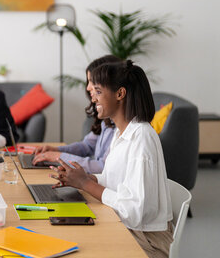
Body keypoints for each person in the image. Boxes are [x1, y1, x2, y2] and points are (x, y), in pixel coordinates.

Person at [50, 60, 173, 258]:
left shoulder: (141, 138)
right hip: (130, 227)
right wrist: (85, 178)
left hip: (146, 240)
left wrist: (85, 184)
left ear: (120, 94)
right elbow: (116, 181)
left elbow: (132, 211)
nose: (93, 99)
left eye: (98, 92)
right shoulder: (121, 133)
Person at [32, 55, 122, 173]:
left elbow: (103, 167)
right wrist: (57, 150)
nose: (89, 88)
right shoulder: (106, 119)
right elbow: (87, 146)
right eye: (88, 81)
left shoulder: (122, 127)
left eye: (93, 83)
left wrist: (59, 157)